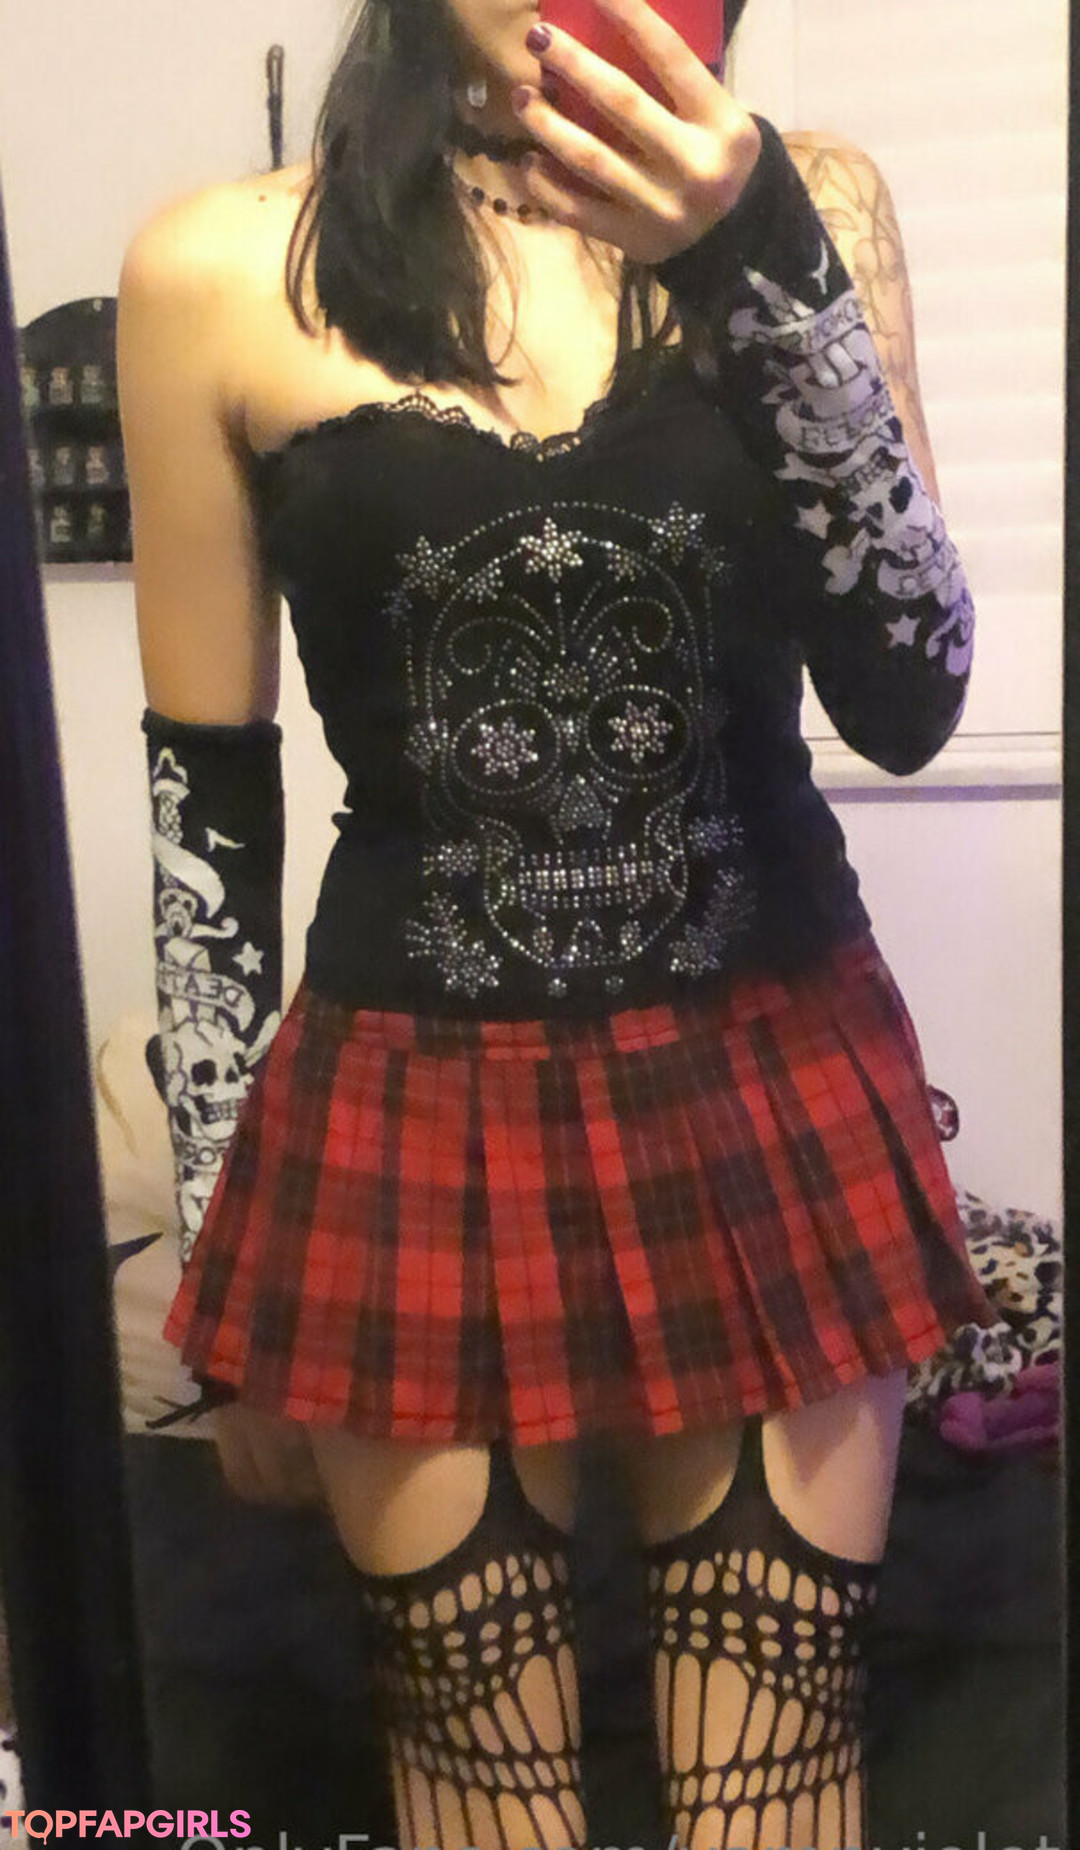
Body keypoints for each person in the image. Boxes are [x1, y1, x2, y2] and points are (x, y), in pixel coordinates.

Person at [117, 0, 999, 1844]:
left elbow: (914, 688)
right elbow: (208, 814)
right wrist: (215, 1276)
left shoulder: (810, 203)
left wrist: (752, 249)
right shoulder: (218, 270)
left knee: (778, 1788)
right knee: (481, 1805)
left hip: (771, 1073)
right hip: (403, 1111)